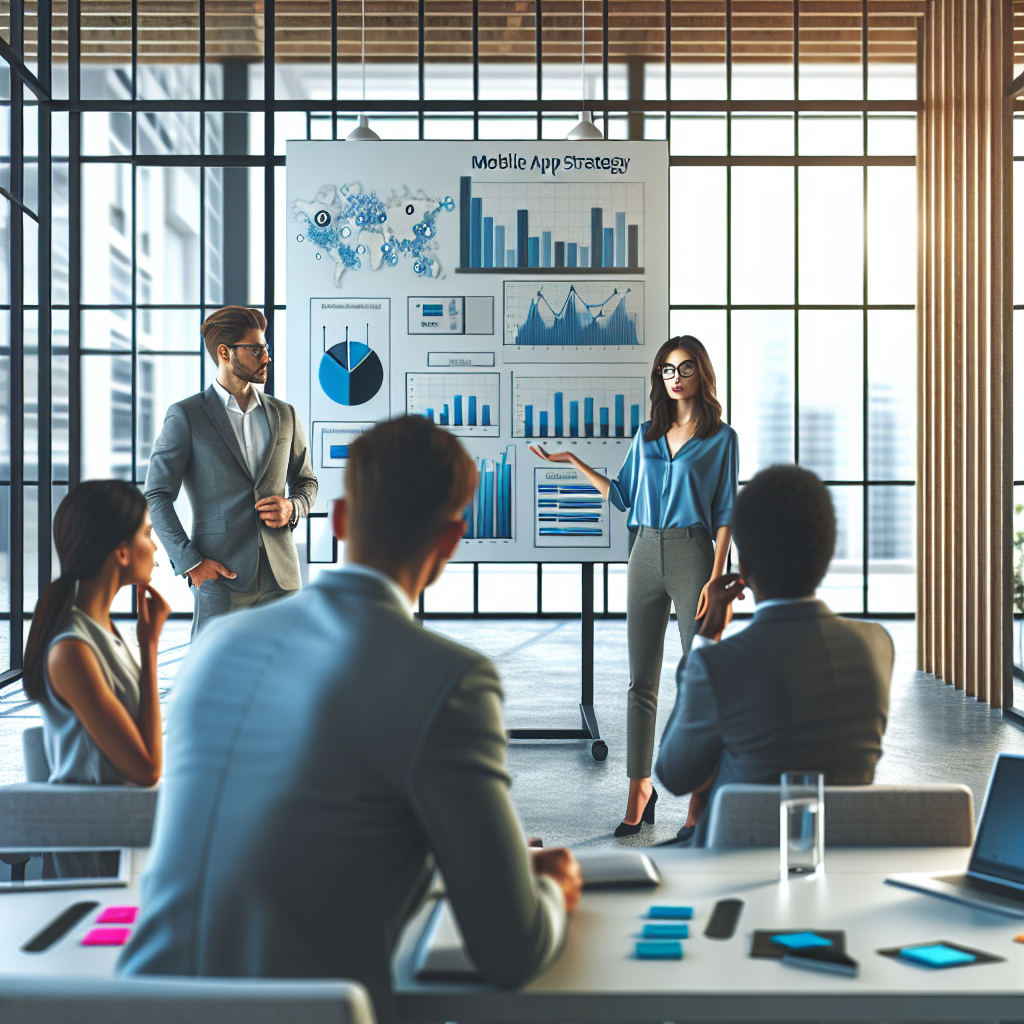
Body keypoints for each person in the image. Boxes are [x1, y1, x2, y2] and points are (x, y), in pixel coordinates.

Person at [118, 415, 582, 1023]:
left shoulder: (217, 647)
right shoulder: (449, 679)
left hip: (135, 1006)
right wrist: (549, 887)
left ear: (339, 522)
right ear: (450, 541)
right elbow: (509, 951)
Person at [531, 336, 738, 838]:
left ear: (701, 373)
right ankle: (638, 792)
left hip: (693, 552)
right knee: (639, 684)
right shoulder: (645, 435)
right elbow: (622, 496)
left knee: (701, 682)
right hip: (643, 552)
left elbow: (728, 513)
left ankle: (699, 802)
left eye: (685, 367)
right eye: (667, 369)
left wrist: (715, 577)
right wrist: (571, 461)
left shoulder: (721, 438)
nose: (675, 377)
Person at [655, 463, 894, 847]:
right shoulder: (878, 644)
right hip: (845, 860)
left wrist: (707, 637)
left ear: (744, 569)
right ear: (826, 555)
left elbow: (674, 773)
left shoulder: (717, 665)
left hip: (736, 862)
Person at [144, 305, 318, 636]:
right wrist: (190, 563)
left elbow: (306, 481)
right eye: (256, 349)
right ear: (225, 353)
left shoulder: (285, 415)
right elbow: (157, 494)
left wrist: (292, 507)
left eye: (265, 348)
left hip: (282, 577)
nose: (266, 357)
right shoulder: (186, 416)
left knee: (285, 674)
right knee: (215, 677)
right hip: (220, 577)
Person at [21, 480, 169, 786]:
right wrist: (150, 646)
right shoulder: (72, 650)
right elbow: (149, 770)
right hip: (103, 818)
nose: (155, 546)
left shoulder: (101, 627)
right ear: (122, 553)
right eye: (147, 533)